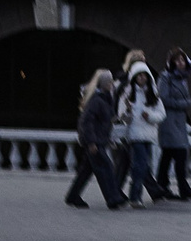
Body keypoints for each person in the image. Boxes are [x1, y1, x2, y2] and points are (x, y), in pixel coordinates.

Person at [64, 68, 126, 210]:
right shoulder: (97, 100)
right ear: (103, 83)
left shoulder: (104, 98)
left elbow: (105, 121)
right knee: (105, 168)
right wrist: (92, 142)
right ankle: (112, 198)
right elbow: (87, 122)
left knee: (87, 170)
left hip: (98, 139)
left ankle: (73, 196)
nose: (112, 83)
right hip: (94, 141)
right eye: (109, 81)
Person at [116, 58, 174, 203]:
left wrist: (150, 116)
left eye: (144, 76)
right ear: (134, 77)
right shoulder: (128, 94)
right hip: (135, 136)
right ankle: (135, 196)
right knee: (139, 166)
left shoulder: (153, 94)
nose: (142, 78)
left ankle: (136, 195)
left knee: (142, 166)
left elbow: (161, 114)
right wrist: (128, 112)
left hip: (148, 135)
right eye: (139, 76)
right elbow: (123, 117)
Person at [155, 48, 191, 201]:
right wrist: (183, 103)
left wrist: (184, 103)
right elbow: (163, 98)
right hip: (169, 121)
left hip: (179, 122)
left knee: (168, 155)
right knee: (179, 154)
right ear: (172, 62)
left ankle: (162, 186)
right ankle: (182, 187)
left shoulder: (182, 78)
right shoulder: (166, 77)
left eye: (183, 60)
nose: (181, 63)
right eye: (178, 60)